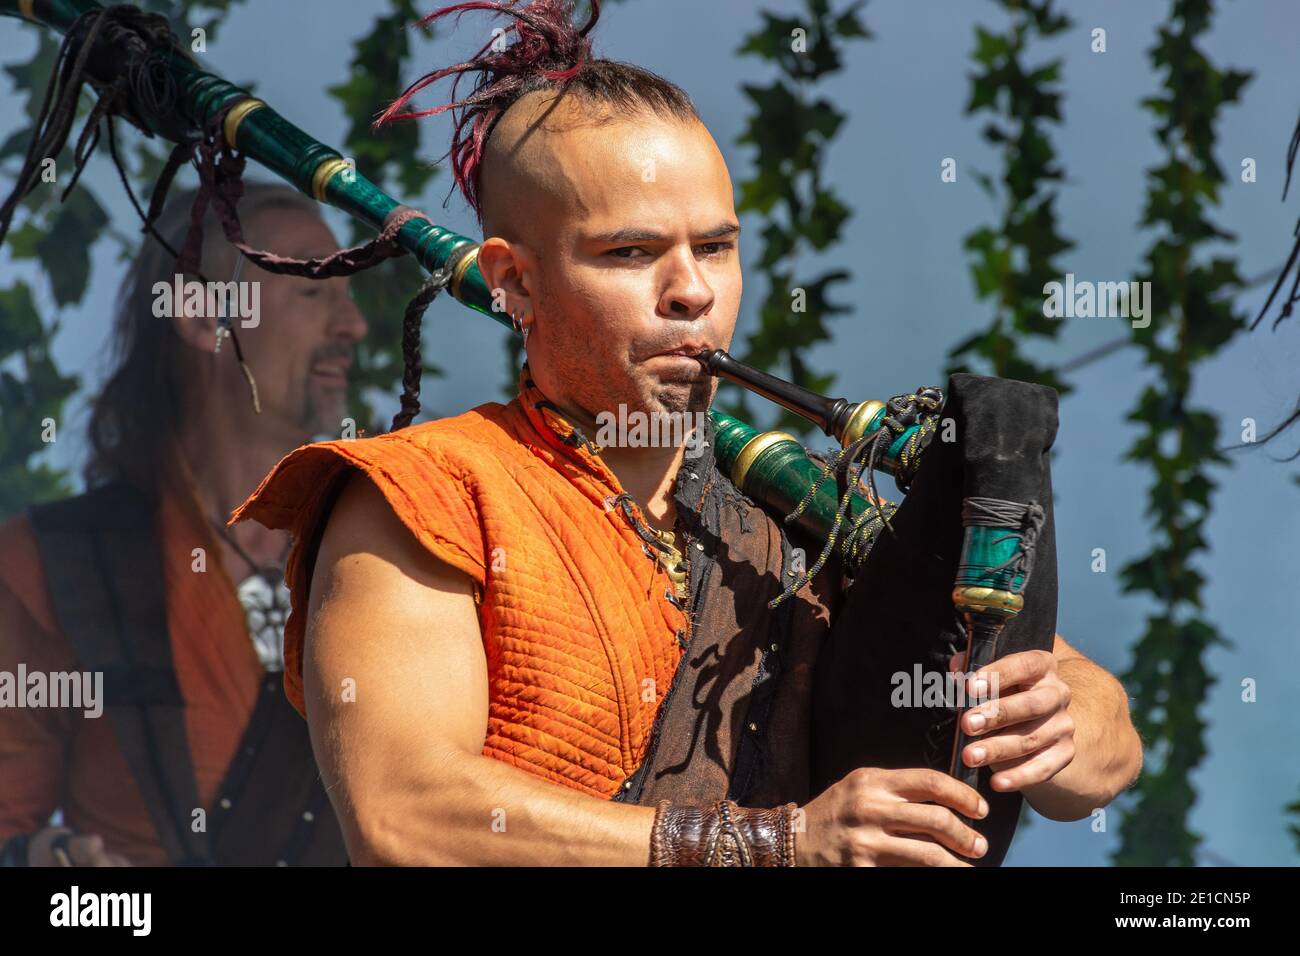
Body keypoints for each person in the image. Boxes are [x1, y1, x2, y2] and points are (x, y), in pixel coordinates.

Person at [232, 0, 1142, 866]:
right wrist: (774, 844)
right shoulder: (424, 494)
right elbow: (405, 816)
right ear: (512, 282)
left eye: (714, 247)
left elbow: (1099, 762)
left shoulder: (814, 513)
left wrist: (1067, 718)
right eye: (631, 252)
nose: (693, 292)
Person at [0, 183, 364, 866]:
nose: (354, 326)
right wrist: (47, 864)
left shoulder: (390, 548)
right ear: (203, 318)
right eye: (314, 289)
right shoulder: (56, 563)